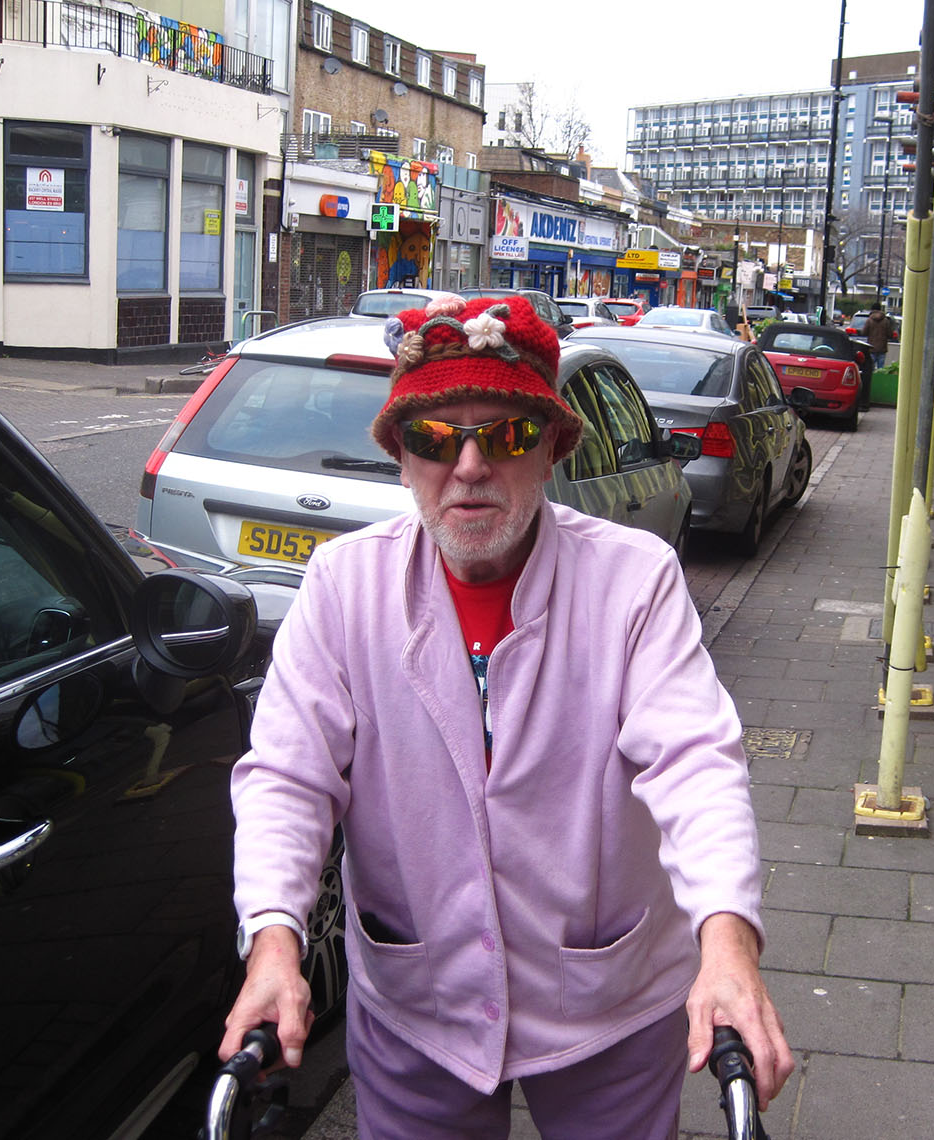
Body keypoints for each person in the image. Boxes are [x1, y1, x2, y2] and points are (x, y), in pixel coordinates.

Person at [219, 293, 793, 1137]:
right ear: (402, 456)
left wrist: (728, 945)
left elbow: (696, 762)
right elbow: (287, 776)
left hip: (612, 997)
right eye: (435, 437)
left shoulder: (635, 582)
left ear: (554, 445)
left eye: (509, 434)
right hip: (421, 999)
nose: (472, 465)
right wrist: (274, 938)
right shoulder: (345, 586)